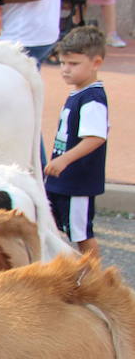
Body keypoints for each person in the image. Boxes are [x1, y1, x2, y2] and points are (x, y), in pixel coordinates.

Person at [44, 25, 110, 257]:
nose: (65, 69)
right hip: (63, 179)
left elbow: (95, 137)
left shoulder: (92, 98)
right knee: (51, 226)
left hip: (77, 183)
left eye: (73, 64)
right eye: (63, 63)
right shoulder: (79, 93)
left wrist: (64, 161)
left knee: (81, 234)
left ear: (96, 63)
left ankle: (96, 282)